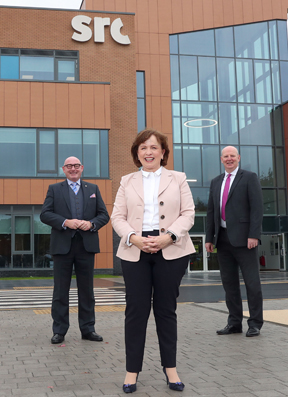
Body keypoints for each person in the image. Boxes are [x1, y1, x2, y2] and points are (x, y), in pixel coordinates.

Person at [111, 129, 195, 393]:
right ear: (137, 153)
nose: (148, 152)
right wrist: (133, 238)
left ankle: (171, 369)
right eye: (143, 148)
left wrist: (168, 236)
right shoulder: (127, 181)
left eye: (154, 147)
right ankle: (131, 372)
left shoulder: (178, 178)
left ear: (163, 152)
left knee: (165, 311)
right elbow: (117, 217)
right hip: (135, 249)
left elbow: (188, 213)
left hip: (170, 249)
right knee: (135, 312)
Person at [40, 156, 110, 344]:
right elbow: (45, 214)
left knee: (87, 291)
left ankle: (88, 329)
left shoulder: (93, 189)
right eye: (69, 166)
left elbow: (104, 215)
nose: (73, 169)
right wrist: (65, 222)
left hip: (86, 246)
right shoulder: (54, 189)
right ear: (63, 169)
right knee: (60, 291)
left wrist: (91, 224)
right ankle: (59, 331)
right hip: (62, 247)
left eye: (76, 166)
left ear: (82, 168)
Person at [205, 146, 264, 337]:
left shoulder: (249, 177)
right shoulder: (215, 182)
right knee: (229, 285)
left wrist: (254, 235)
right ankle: (234, 323)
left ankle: (255, 323)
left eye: (232, 156)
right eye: (226, 156)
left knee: (252, 284)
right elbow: (211, 212)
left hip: (246, 240)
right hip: (222, 240)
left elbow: (257, 208)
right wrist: (209, 238)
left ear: (238, 158)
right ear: (221, 159)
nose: (229, 159)